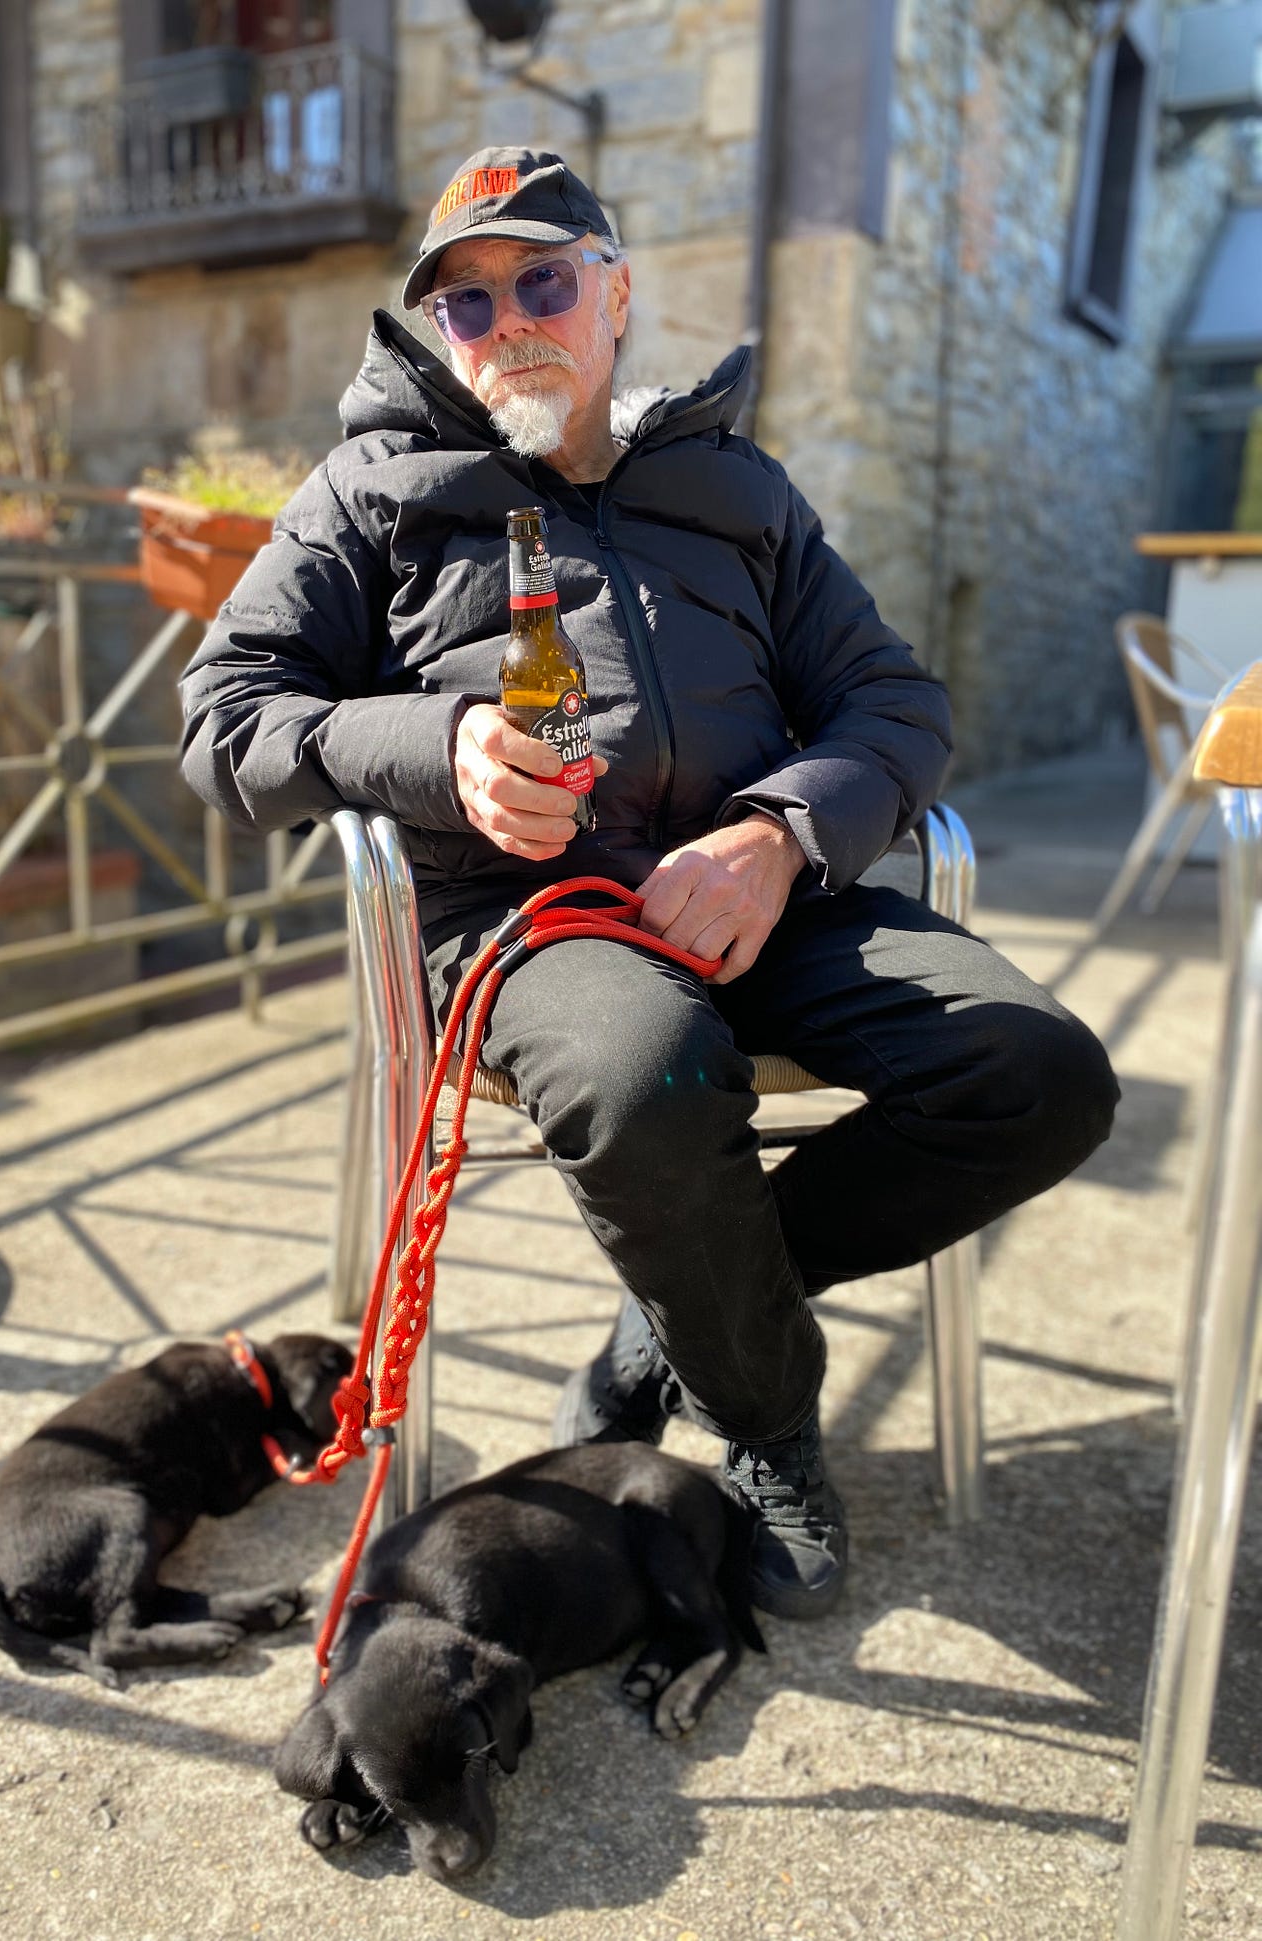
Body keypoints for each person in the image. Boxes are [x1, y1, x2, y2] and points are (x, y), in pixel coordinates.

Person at [180, 147, 1119, 1619]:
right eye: (470, 306)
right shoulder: (373, 487)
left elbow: (896, 702)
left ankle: (669, 1330)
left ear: (614, 293)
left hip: (768, 900)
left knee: (1045, 1073)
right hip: (524, 922)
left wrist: (781, 832)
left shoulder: (735, 487)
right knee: (648, 1070)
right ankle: (766, 1424)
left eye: (543, 280)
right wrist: (442, 748)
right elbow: (224, 717)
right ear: (441, 335)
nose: (512, 322)